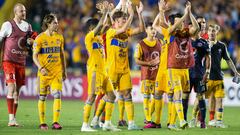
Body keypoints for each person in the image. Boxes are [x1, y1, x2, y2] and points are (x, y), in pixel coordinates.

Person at [80, 2, 121, 132]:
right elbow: (99, 27)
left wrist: (108, 11)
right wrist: (103, 14)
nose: (98, 28)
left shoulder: (98, 38)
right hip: (94, 70)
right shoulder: (89, 37)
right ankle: (85, 125)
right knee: (91, 97)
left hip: (103, 71)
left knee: (112, 95)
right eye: (95, 26)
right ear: (90, 28)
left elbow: (107, 25)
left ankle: (107, 123)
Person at [105, 0, 144, 130]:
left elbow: (141, 29)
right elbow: (122, 28)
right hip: (112, 69)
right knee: (109, 96)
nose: (124, 22)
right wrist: (131, 14)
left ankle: (131, 123)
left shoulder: (125, 33)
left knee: (128, 94)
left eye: (125, 19)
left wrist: (139, 14)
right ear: (115, 22)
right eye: (123, 20)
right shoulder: (111, 32)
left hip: (124, 69)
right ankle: (103, 121)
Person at [162, 1, 199, 130]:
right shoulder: (170, 33)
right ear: (173, 22)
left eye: (182, 22)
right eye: (178, 21)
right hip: (173, 68)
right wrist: (184, 16)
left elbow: (197, 29)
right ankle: (182, 120)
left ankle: (172, 123)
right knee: (176, 93)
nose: (181, 23)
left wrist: (189, 13)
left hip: (185, 69)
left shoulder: (186, 32)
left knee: (182, 94)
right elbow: (173, 28)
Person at [0, 3, 33, 127]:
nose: (24, 13)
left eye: (24, 11)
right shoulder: (8, 25)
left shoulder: (28, 26)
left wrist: (30, 43)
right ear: (15, 12)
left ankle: (13, 119)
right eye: (21, 11)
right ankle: (10, 119)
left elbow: (29, 45)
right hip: (9, 61)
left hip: (21, 62)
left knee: (17, 93)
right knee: (11, 88)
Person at [33, 13, 67, 130]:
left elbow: (62, 55)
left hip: (56, 72)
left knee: (57, 94)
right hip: (44, 73)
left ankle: (55, 122)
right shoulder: (40, 38)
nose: (57, 24)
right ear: (48, 24)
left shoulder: (60, 37)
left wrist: (64, 71)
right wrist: (41, 68)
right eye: (55, 23)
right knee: (42, 97)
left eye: (57, 22)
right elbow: (34, 56)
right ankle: (42, 123)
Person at [205, 24, 240, 128]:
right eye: (210, 31)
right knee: (210, 99)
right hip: (207, 77)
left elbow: (228, 60)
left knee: (220, 98)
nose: (211, 33)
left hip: (218, 77)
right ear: (207, 33)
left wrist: (235, 72)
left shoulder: (221, 46)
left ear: (217, 33)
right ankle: (210, 120)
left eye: (214, 31)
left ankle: (219, 120)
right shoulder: (204, 45)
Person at [183, 20, 211, 129]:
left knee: (200, 97)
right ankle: (184, 120)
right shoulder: (185, 42)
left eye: (192, 28)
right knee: (185, 97)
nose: (191, 30)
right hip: (187, 74)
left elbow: (208, 58)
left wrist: (207, 72)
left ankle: (202, 122)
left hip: (200, 74)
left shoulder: (203, 43)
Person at [134, 22, 161, 128]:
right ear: (146, 30)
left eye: (155, 29)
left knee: (156, 97)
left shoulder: (160, 42)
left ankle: (149, 117)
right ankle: (149, 119)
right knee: (146, 97)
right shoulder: (141, 44)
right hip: (147, 75)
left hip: (158, 75)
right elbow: (136, 60)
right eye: (151, 28)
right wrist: (149, 63)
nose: (154, 31)